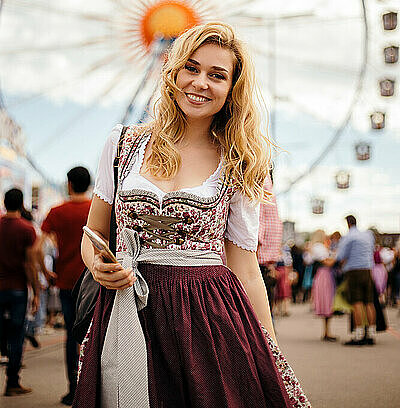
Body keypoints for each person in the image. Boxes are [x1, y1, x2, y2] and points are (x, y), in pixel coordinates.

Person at [73, 23, 311, 408]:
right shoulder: (122, 144)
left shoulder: (240, 162)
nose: (201, 82)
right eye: (192, 68)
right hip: (127, 307)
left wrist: (270, 355)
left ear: (232, 88)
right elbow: (93, 233)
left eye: (217, 75)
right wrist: (98, 266)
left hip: (206, 316)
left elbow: (244, 266)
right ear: (174, 71)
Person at [41, 167, 92, 405]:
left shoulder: (56, 212)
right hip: (93, 283)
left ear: (69, 184)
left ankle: (73, 389)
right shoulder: (96, 208)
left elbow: (36, 248)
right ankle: (91, 387)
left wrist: (45, 271)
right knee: (94, 335)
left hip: (65, 283)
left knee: (72, 336)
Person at [0, 188, 38, 396]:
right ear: (21, 203)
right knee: (17, 336)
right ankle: (12, 382)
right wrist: (37, 291)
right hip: (17, 289)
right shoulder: (27, 229)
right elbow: (30, 264)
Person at [337, 215, 376, 345]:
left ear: (348, 224)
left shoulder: (348, 237)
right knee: (369, 302)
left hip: (354, 271)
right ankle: (371, 333)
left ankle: (358, 335)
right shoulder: (368, 235)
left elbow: (341, 256)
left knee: (357, 302)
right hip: (368, 269)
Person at [257, 171, 282, 317]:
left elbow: (258, 230)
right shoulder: (270, 191)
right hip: (267, 264)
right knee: (266, 311)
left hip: (257, 263)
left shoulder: (261, 183)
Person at [310, 230, 337, 341]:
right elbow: (327, 262)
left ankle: (326, 331)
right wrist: (337, 256)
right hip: (324, 274)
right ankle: (327, 332)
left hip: (323, 275)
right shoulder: (319, 247)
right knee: (327, 301)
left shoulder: (318, 247)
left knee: (327, 301)